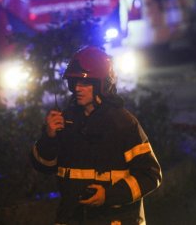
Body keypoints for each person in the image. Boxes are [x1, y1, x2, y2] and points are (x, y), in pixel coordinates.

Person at [31, 46, 162, 225]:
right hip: (71, 218)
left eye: (85, 83)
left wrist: (108, 196)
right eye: (74, 82)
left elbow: (150, 175)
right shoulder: (66, 121)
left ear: (101, 85)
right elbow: (44, 166)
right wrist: (49, 137)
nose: (77, 88)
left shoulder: (123, 124)